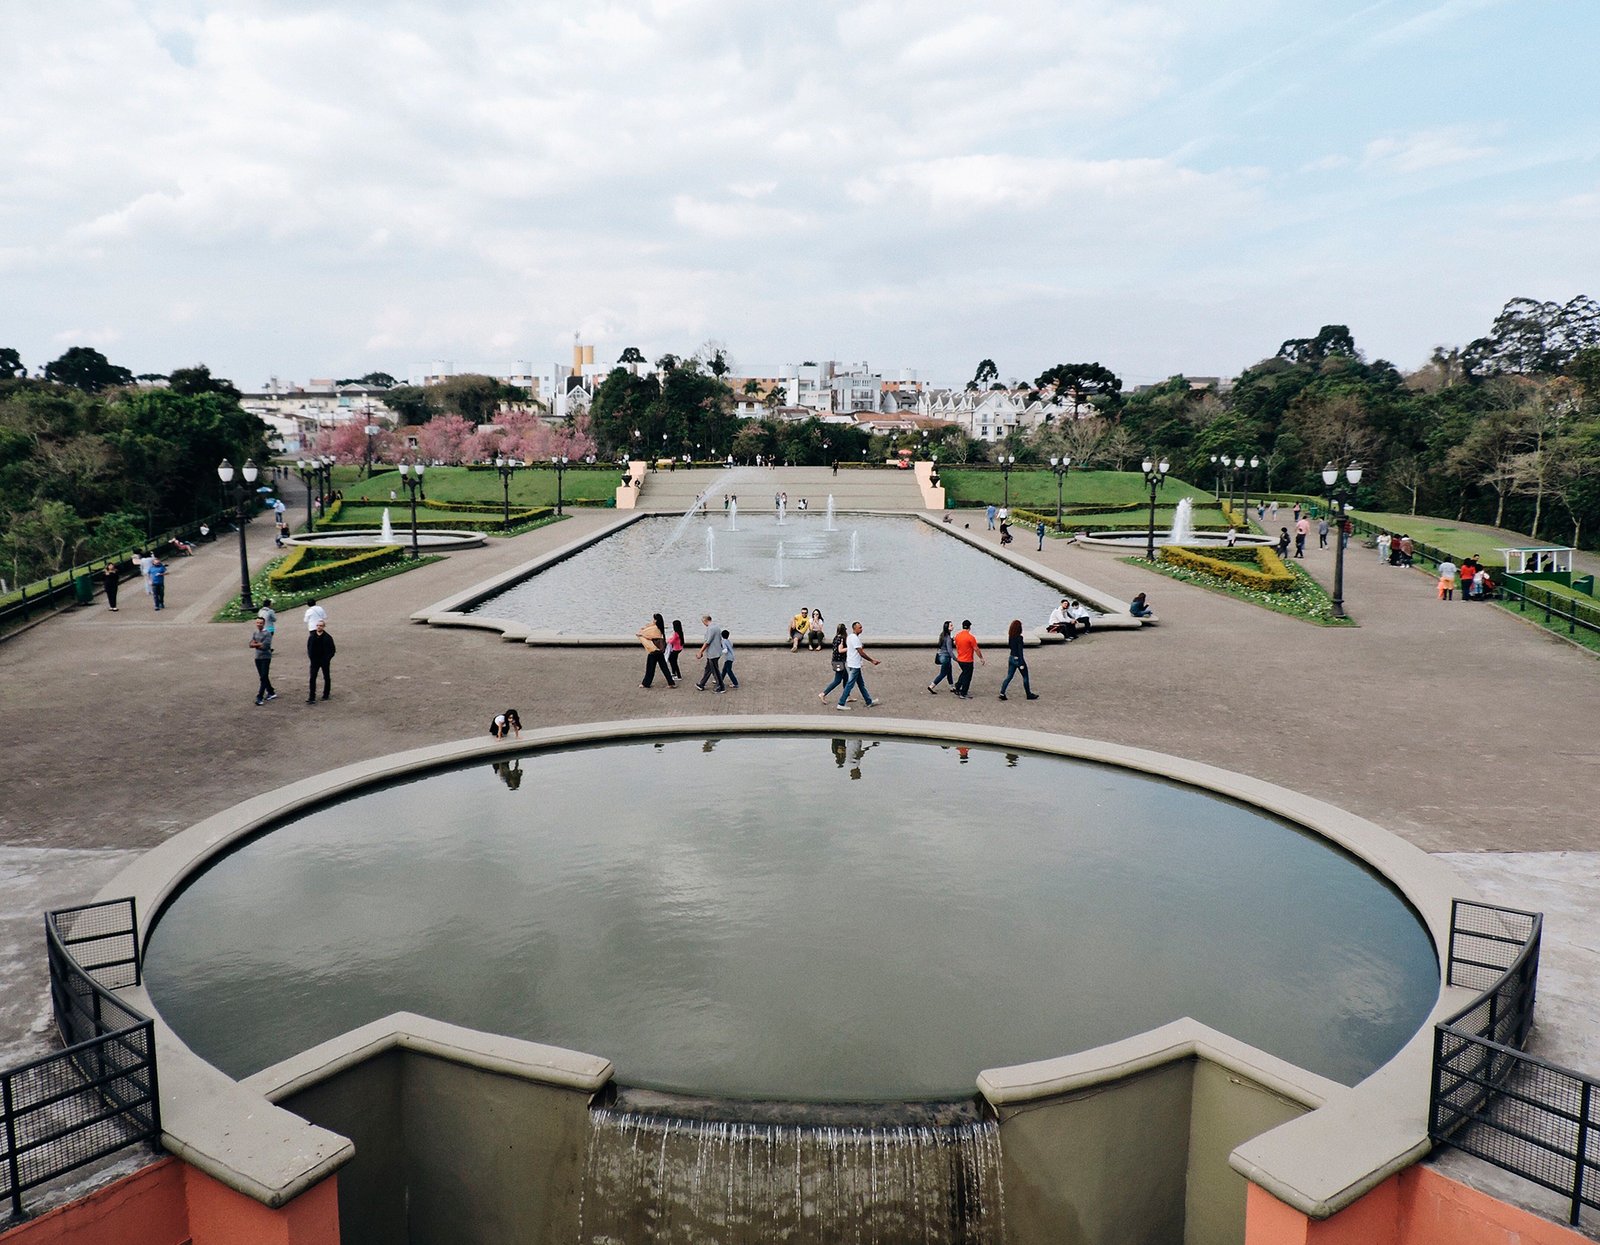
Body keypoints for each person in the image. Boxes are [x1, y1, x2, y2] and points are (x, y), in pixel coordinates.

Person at [834, 620, 881, 710]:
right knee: (850, 684)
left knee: (861, 684)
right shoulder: (855, 639)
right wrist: (872, 660)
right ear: (854, 628)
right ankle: (841, 703)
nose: (861, 629)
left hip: (852, 664)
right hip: (854, 665)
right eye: (860, 628)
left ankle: (869, 701)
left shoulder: (850, 637)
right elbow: (861, 653)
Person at [997, 619, 1039, 701]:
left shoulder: (1010, 637)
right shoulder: (1019, 638)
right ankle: (1028, 694)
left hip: (1011, 657)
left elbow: (1010, 646)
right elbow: (1020, 651)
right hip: (1018, 658)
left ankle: (1002, 692)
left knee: (1009, 676)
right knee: (1025, 676)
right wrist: (1021, 662)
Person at [637, 613, 675, 688]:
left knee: (650, 668)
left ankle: (646, 683)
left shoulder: (654, 628)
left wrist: (642, 634)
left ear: (657, 620)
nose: (653, 620)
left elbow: (647, 635)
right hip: (659, 651)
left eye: (654, 619)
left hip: (653, 650)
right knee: (664, 667)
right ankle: (671, 683)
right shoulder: (660, 628)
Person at [818, 623, 850, 702]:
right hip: (839, 662)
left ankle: (847, 696)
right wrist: (849, 648)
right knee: (837, 680)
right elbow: (840, 650)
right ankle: (823, 693)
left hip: (836, 661)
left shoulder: (836, 637)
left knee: (846, 677)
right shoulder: (842, 639)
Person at [249, 617, 276, 705]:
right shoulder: (255, 632)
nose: (259, 624)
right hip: (258, 657)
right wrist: (258, 644)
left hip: (265, 657)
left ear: (263, 624)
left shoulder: (267, 633)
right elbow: (250, 644)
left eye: (260, 623)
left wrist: (256, 644)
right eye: (257, 623)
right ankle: (271, 691)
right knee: (263, 676)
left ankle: (260, 696)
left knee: (263, 677)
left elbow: (265, 646)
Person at [952, 620, 983, 699]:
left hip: (960, 659)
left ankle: (958, 686)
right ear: (969, 627)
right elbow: (976, 649)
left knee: (964, 673)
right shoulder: (971, 638)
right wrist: (981, 658)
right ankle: (963, 692)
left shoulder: (957, 636)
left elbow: (955, 643)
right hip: (968, 660)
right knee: (967, 677)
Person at [306, 619, 335, 702]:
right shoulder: (312, 637)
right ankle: (312, 696)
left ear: (323, 627)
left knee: (326, 677)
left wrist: (326, 659)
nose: (319, 627)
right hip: (314, 661)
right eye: (318, 625)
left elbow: (332, 650)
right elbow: (309, 647)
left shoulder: (328, 637)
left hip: (324, 661)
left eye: (321, 626)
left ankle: (326, 694)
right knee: (312, 678)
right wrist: (311, 657)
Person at [696, 614, 726, 692]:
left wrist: (700, 651)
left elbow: (707, 642)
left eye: (703, 622)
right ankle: (701, 684)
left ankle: (720, 687)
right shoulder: (717, 627)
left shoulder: (711, 629)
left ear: (705, 620)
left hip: (713, 653)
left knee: (715, 670)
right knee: (708, 669)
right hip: (717, 651)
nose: (703, 624)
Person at [929, 620, 956, 692]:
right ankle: (932, 685)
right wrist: (955, 658)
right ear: (947, 627)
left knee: (949, 672)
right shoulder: (948, 638)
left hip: (941, 656)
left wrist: (952, 639)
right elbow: (950, 650)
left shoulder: (942, 635)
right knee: (943, 673)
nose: (953, 626)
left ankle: (952, 687)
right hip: (946, 657)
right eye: (951, 625)